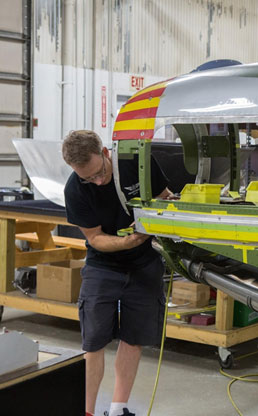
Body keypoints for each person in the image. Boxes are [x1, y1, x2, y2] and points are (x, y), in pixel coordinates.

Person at [62, 130, 172, 416]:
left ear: (105, 154)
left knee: (134, 337)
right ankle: (86, 411)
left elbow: (164, 197)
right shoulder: (75, 189)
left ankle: (118, 408)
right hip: (103, 265)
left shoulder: (136, 164)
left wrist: (159, 219)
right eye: (88, 178)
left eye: (99, 173)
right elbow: (96, 239)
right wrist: (128, 241)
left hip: (145, 262)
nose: (96, 182)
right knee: (94, 342)